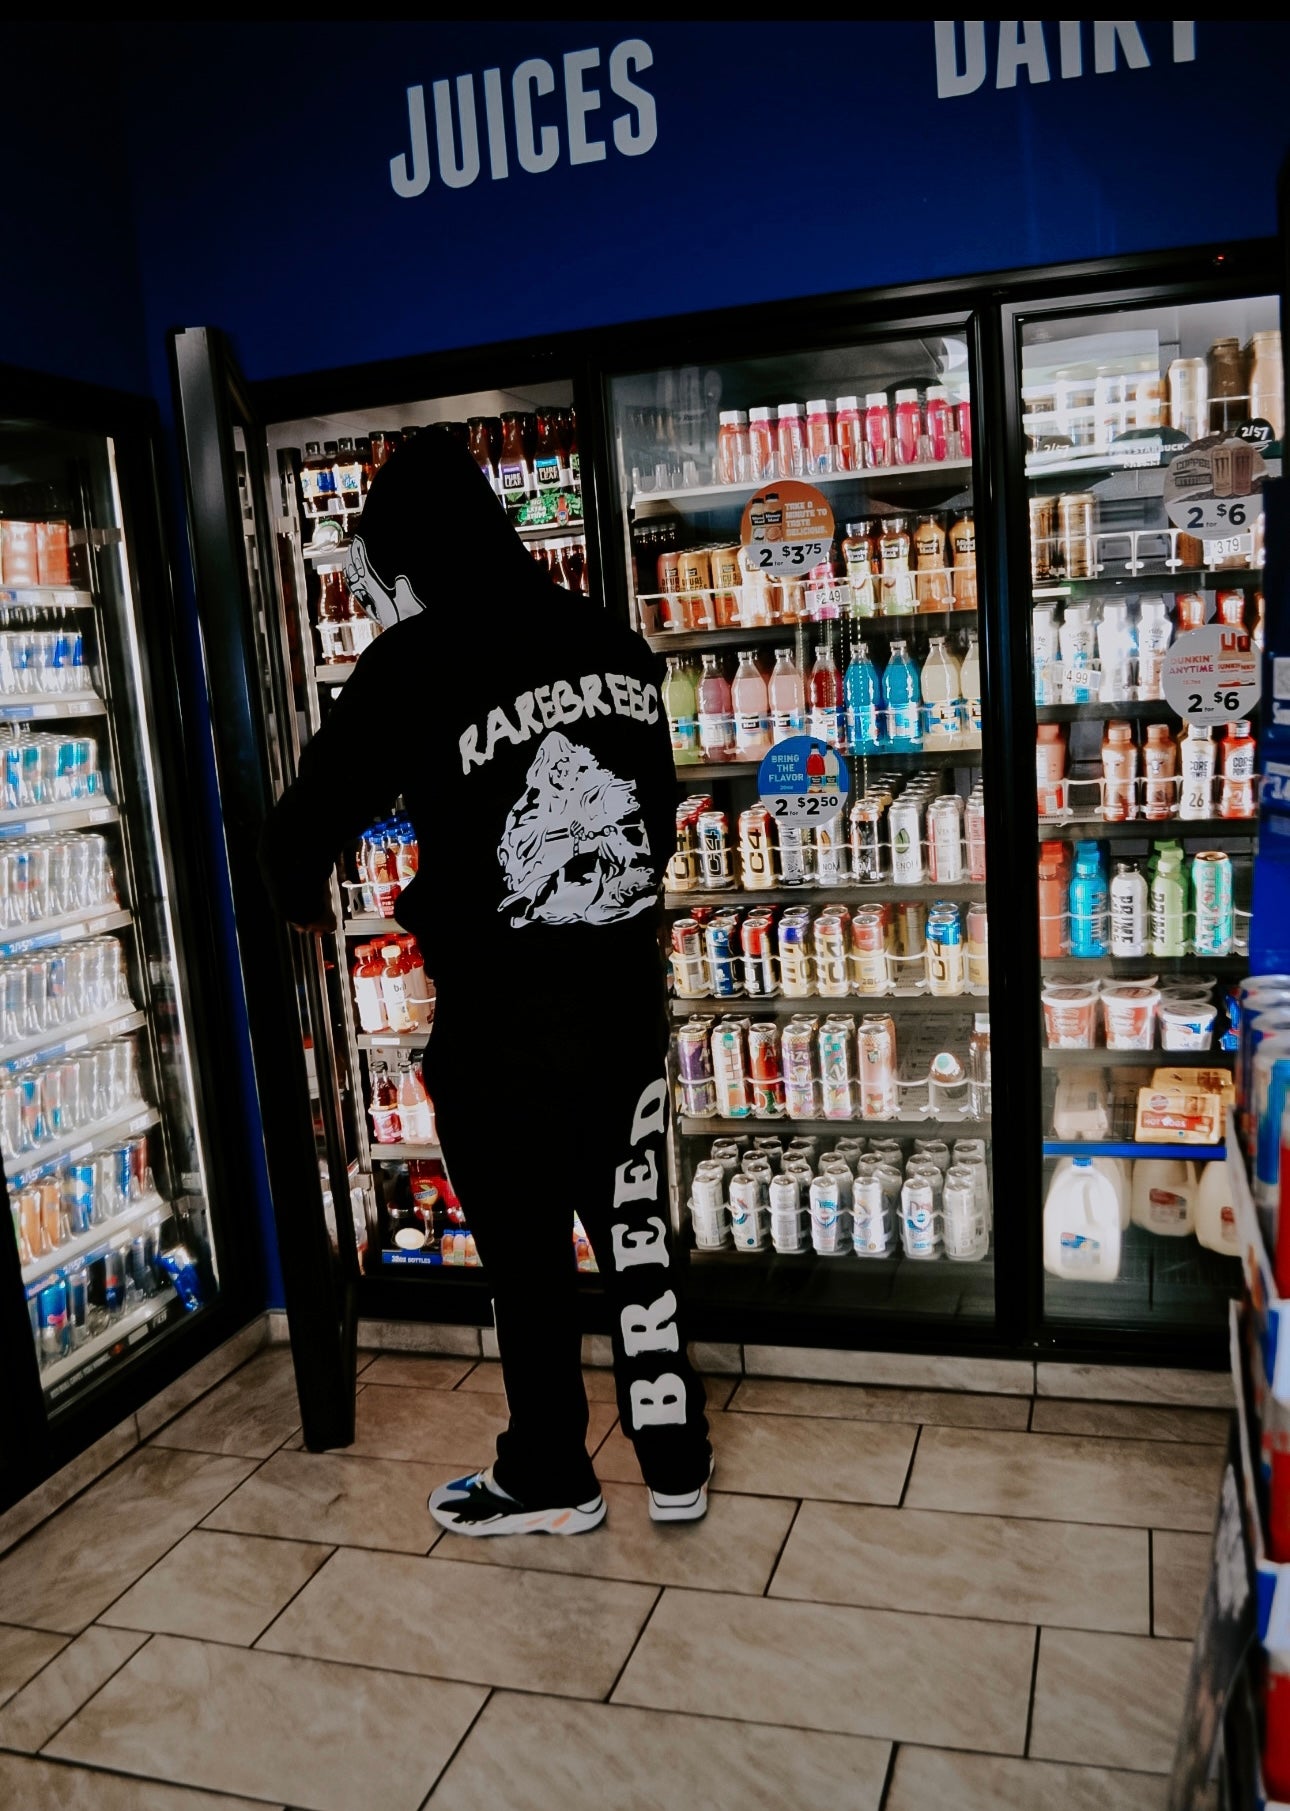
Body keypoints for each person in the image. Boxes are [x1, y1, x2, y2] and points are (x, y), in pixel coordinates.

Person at [258, 427, 711, 1536]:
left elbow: (301, 830)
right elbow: (654, 815)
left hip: (502, 1019)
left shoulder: (413, 661)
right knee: (635, 1231)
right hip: (621, 995)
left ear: (409, 552)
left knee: (523, 1254)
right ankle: (675, 1454)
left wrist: (308, 895)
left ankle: (551, 1474)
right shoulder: (610, 640)